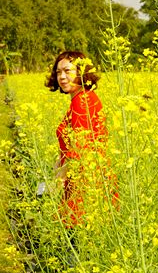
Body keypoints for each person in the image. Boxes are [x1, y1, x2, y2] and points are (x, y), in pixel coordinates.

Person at [45, 51, 113, 227]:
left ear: (82, 72)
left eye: (68, 71)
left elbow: (79, 149)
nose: (62, 77)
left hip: (85, 183)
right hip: (82, 179)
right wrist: (59, 163)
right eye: (58, 72)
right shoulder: (82, 99)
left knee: (78, 236)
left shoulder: (82, 102)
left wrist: (56, 183)